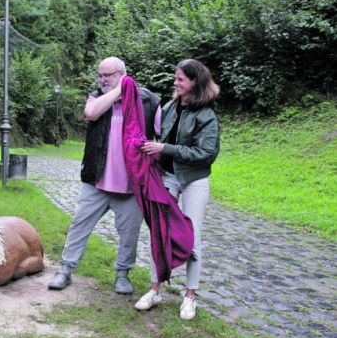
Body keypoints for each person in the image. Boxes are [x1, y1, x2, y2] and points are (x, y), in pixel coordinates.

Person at [48, 57, 161, 294]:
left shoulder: (148, 100)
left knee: (129, 234)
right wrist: (117, 90)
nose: (102, 79)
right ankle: (65, 270)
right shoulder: (97, 97)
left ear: (122, 73)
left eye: (107, 75)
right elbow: (90, 113)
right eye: (100, 75)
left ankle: (122, 274)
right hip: (97, 181)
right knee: (79, 225)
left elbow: (163, 132)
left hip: (131, 185)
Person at [138, 58, 220, 320]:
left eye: (180, 79)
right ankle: (155, 290)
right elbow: (161, 136)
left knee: (192, 237)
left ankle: (190, 296)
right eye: (176, 78)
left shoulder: (207, 115)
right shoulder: (172, 106)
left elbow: (206, 153)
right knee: (160, 233)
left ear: (194, 82)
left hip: (194, 179)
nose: (175, 82)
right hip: (167, 177)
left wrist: (165, 149)